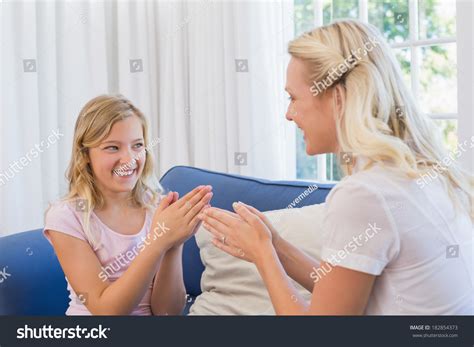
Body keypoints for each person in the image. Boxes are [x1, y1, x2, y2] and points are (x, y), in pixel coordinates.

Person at [198, 19, 473, 315]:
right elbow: (341, 295)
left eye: (293, 97)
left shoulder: (365, 194)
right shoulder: (422, 174)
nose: (289, 114)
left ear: (338, 98)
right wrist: (275, 245)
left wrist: (263, 255)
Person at [44, 94, 213, 315]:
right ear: (85, 154)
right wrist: (159, 241)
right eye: (113, 148)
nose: (129, 159)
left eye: (137, 146)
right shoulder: (66, 217)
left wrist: (174, 243)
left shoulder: (156, 208)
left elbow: (167, 313)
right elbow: (106, 311)